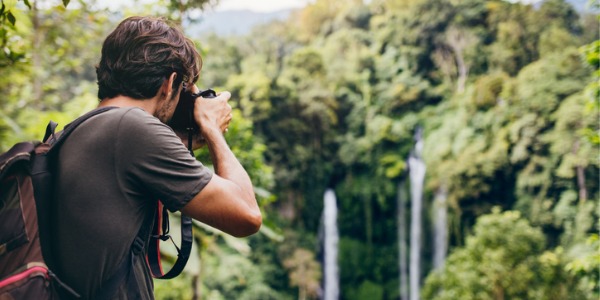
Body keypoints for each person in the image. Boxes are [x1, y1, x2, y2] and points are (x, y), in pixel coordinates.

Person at [49, 16, 262, 299]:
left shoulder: (78, 130)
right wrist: (211, 127)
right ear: (170, 82)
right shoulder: (132, 128)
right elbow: (246, 216)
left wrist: (186, 140)